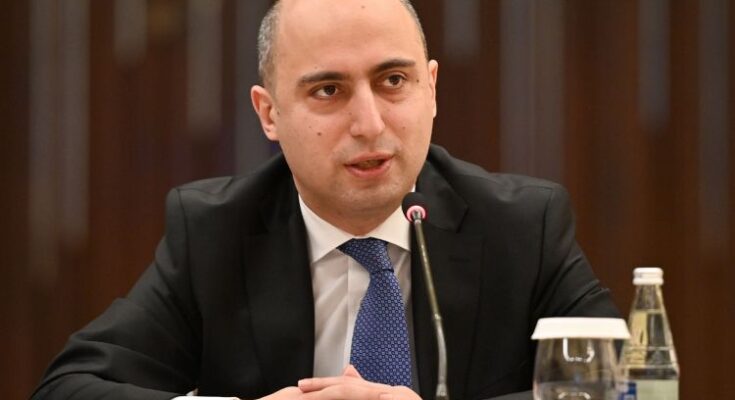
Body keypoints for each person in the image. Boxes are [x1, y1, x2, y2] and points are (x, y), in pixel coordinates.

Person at [32, 1, 619, 399]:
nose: (369, 124)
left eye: (393, 81)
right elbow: (69, 387)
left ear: (432, 88)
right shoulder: (216, 232)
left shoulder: (521, 226)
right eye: (329, 90)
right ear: (269, 113)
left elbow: (622, 388)